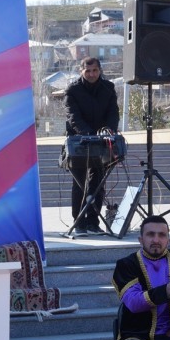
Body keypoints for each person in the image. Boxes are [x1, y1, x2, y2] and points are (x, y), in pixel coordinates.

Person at [64, 56, 119, 234]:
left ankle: (93, 222)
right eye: (87, 71)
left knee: (98, 183)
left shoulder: (108, 88)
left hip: (101, 142)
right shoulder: (72, 90)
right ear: (81, 71)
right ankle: (79, 223)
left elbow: (113, 113)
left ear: (100, 70)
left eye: (95, 70)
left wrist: (108, 130)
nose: (92, 74)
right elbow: (73, 117)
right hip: (79, 141)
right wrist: (88, 134)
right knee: (79, 183)